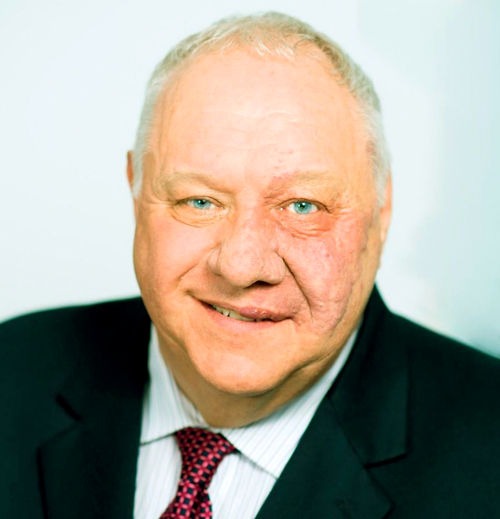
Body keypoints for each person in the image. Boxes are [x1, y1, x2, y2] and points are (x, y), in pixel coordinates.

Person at [1, 11, 499, 519]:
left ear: (381, 212)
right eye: (199, 201)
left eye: (302, 206)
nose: (241, 267)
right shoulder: (12, 370)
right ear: (136, 188)